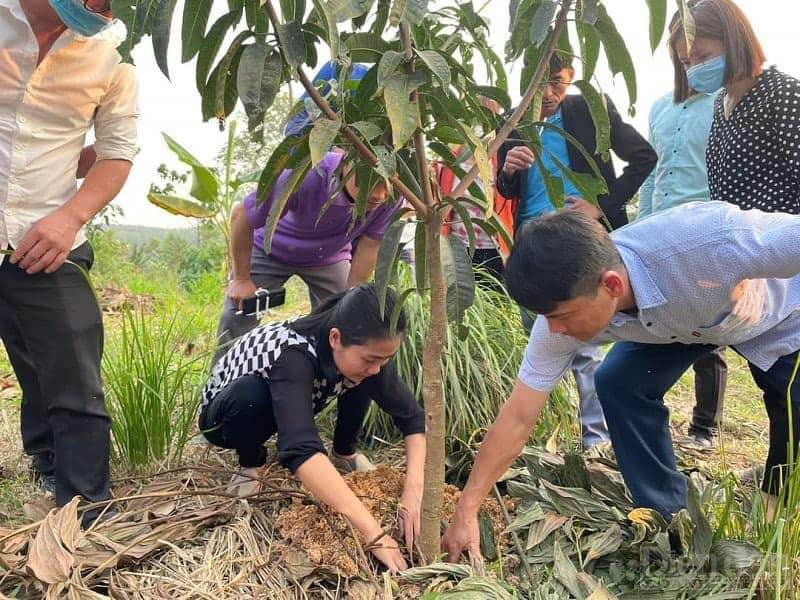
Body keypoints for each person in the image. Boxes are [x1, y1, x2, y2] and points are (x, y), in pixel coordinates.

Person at [442, 202, 800, 560]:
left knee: (792, 404)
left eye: (561, 316)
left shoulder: (713, 242)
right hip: (674, 327)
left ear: (612, 285)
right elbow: (519, 415)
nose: (556, 330)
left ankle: (778, 498)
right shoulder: (560, 317)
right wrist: (466, 510)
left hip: (775, 317)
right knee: (618, 382)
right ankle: (665, 516)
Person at [0, 0, 138, 524]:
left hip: (45, 243)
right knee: (28, 363)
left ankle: (84, 514)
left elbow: (116, 152)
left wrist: (70, 216)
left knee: (73, 380)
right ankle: (42, 457)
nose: (100, 9)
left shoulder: (112, 63)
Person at [200, 284, 426, 572]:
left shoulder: (365, 349)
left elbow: (412, 418)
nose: (378, 367)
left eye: (387, 359)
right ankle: (250, 461)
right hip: (224, 417)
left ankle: (344, 452)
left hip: (288, 395)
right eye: (372, 358)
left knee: (363, 376)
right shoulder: (292, 354)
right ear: (335, 338)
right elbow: (300, 450)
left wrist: (413, 490)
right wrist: (373, 532)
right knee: (252, 397)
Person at [496, 53, 657, 447]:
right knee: (541, 337)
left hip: (580, 239)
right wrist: (508, 171)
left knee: (583, 339)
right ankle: (543, 428)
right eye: (541, 83)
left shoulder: (589, 109)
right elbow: (506, 189)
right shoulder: (512, 122)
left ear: (571, 80)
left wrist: (601, 205)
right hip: (532, 243)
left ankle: (596, 439)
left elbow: (643, 157)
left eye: (559, 83)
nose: (549, 93)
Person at [216, 150, 401, 363]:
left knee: (349, 318)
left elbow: (371, 244)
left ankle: (326, 382)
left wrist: (352, 295)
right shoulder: (307, 172)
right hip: (270, 248)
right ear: (346, 161)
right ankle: (218, 386)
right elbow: (242, 215)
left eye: (386, 184)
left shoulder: (395, 195)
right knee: (236, 316)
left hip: (328, 256)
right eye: (369, 181)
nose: (379, 195)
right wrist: (241, 279)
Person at [638, 7, 727, 448]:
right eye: (684, 58)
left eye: (700, 56)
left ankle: (704, 427)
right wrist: (639, 233)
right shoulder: (660, 107)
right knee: (658, 322)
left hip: (705, 233)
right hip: (658, 235)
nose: (693, 67)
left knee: (710, 337)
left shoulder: (728, 105)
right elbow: (653, 174)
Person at [672, 0, 800, 214]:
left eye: (702, 57)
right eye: (686, 62)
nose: (694, 69)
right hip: (736, 242)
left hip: (781, 241)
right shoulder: (720, 104)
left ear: (734, 43)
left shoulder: (783, 93)